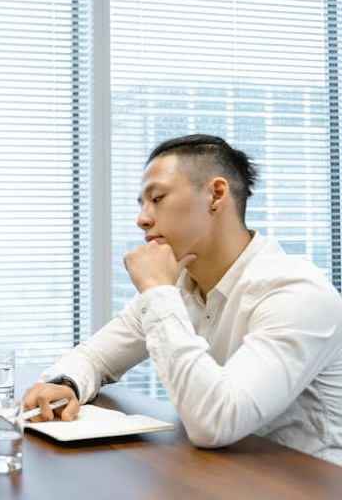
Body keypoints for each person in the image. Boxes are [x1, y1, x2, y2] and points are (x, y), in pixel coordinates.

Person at [21, 134, 342, 465]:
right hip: (218, 474)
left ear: (216, 195)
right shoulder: (178, 285)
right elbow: (94, 357)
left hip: (305, 482)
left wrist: (157, 292)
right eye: (142, 204)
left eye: (157, 198)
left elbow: (216, 423)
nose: (142, 219)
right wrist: (66, 384)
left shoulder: (297, 293)